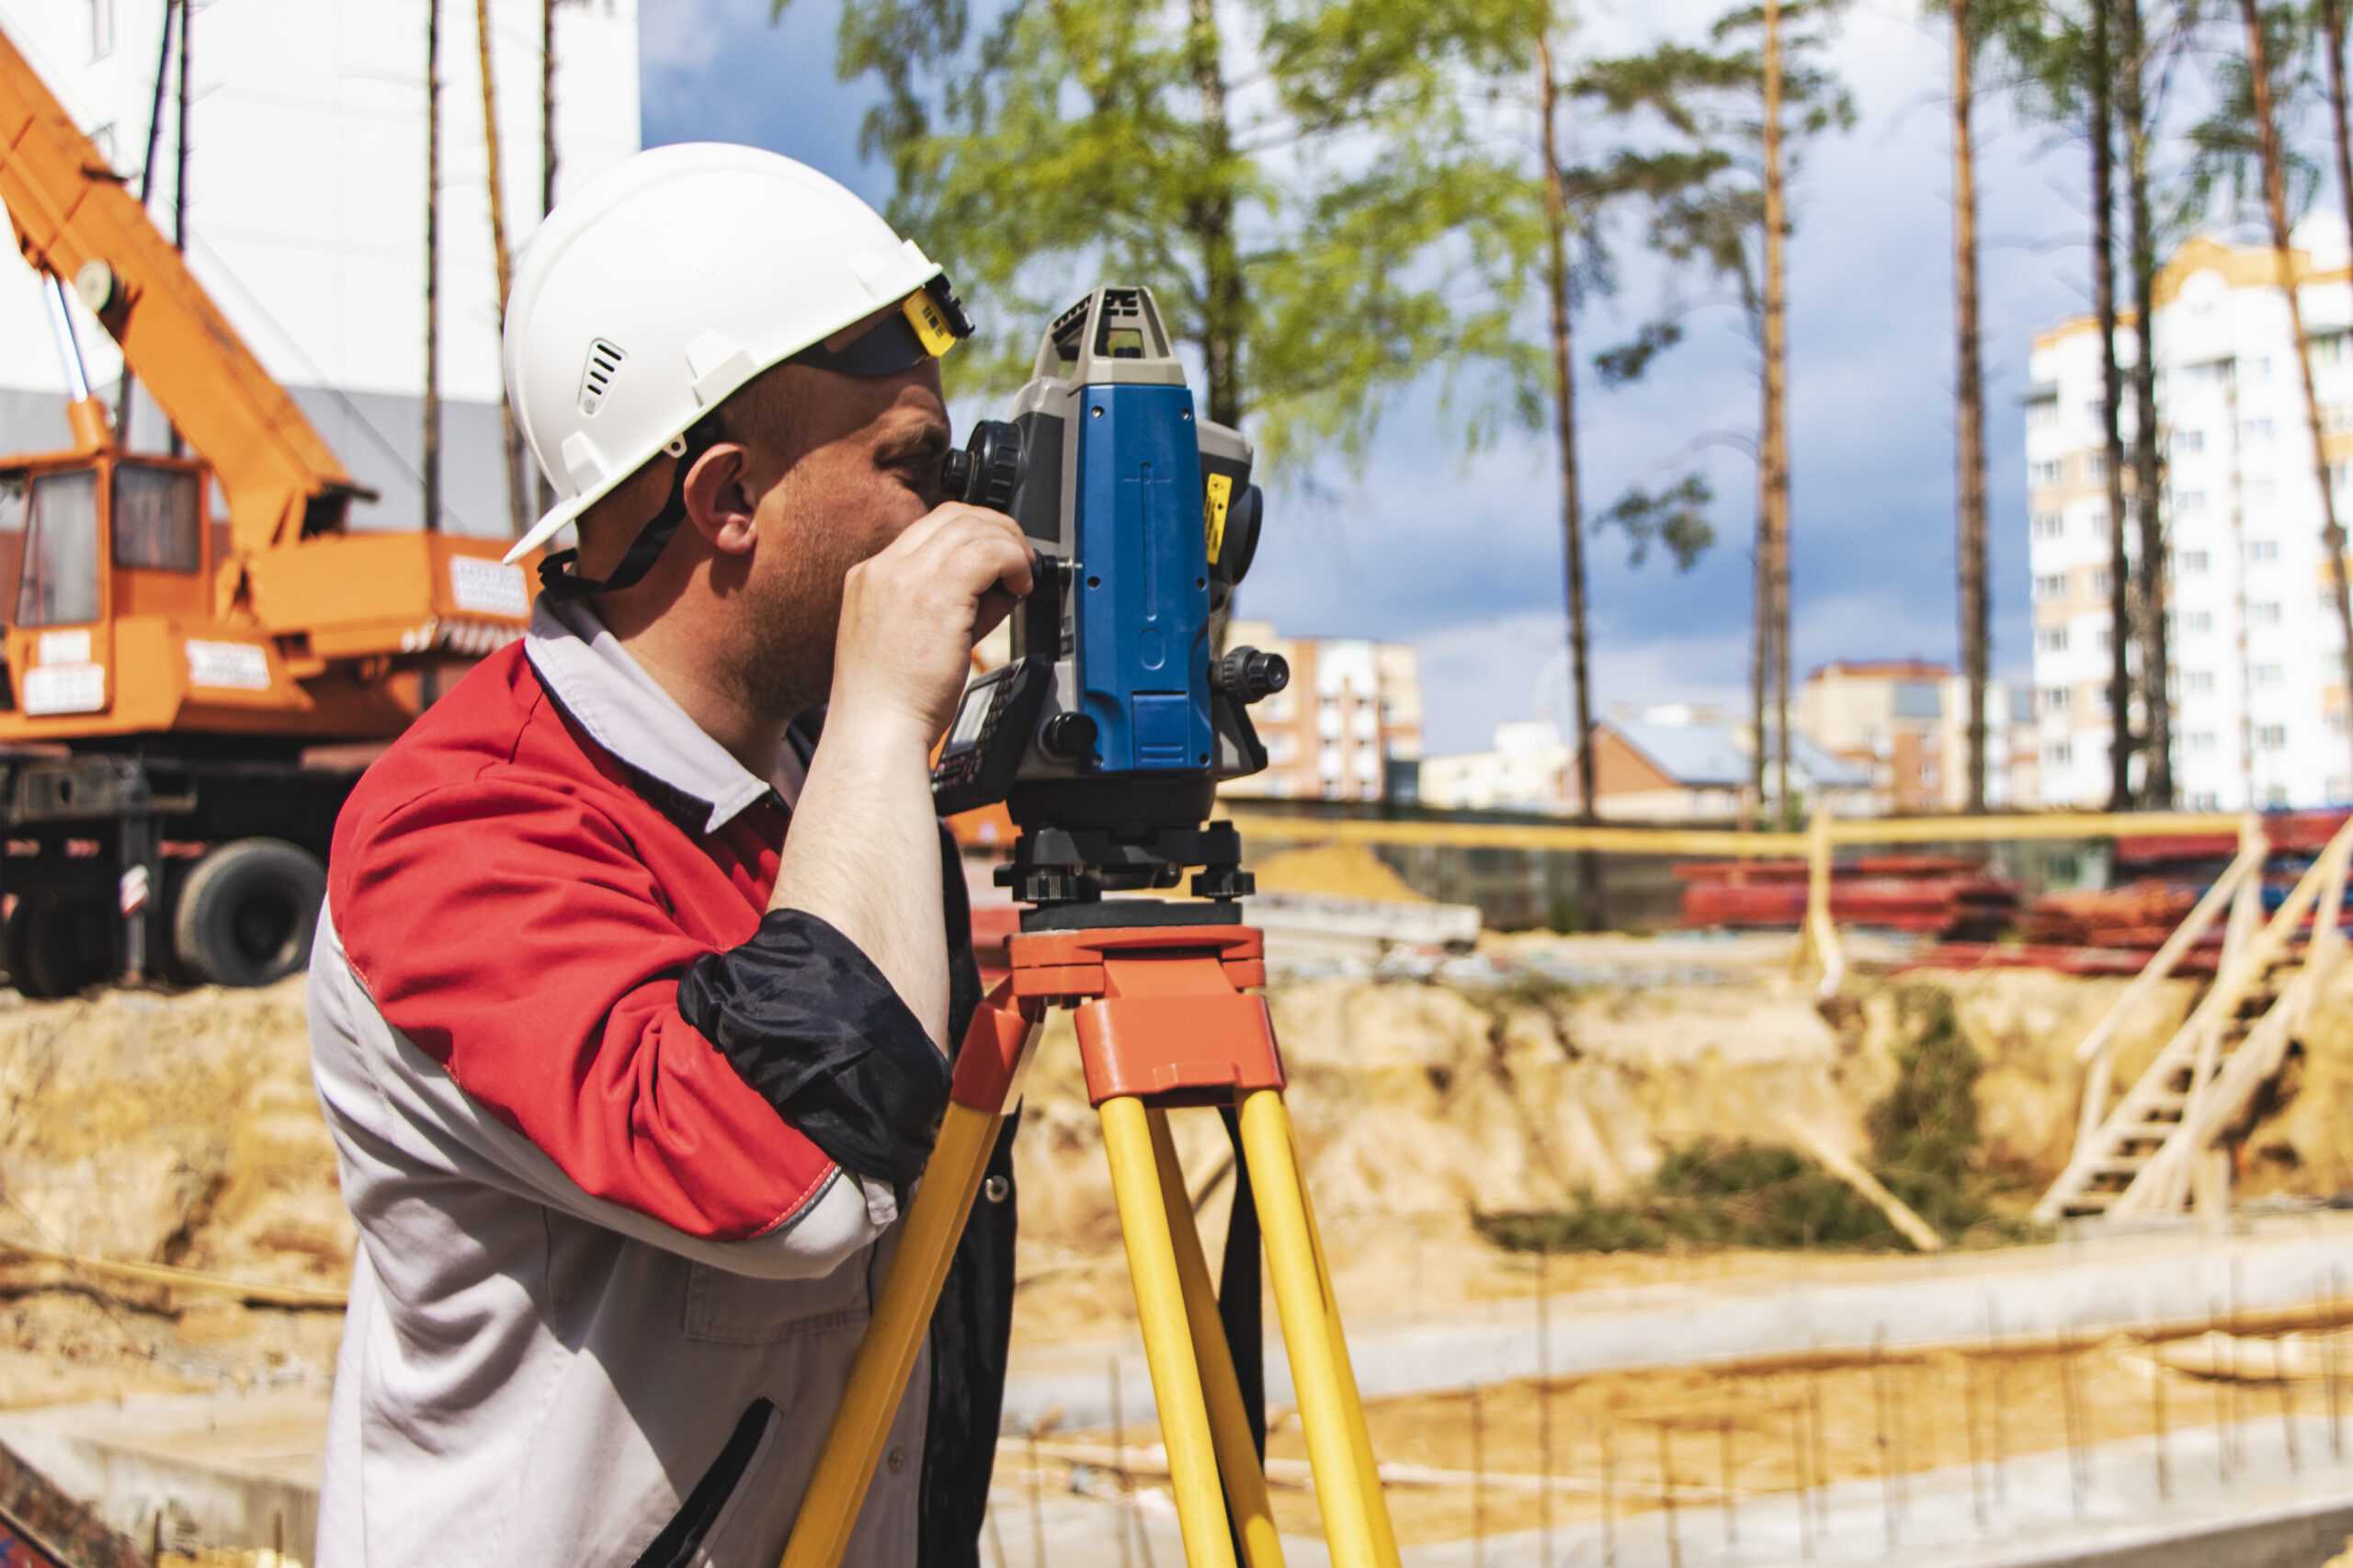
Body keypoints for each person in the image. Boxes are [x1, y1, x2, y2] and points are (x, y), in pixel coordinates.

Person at [307, 143, 1034, 1568]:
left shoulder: (822, 784)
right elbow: (798, 1164)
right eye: (910, 467)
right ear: (727, 498)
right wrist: (883, 716)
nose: (953, 520)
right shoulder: (455, 828)